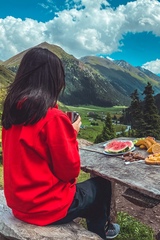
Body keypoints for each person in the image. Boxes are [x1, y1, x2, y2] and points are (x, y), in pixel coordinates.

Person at [1, 47, 120, 240]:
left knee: (87, 191)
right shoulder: (53, 118)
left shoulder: (12, 115)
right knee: (101, 186)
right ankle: (101, 233)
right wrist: (71, 134)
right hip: (45, 209)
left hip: (19, 205)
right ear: (52, 81)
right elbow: (69, 171)